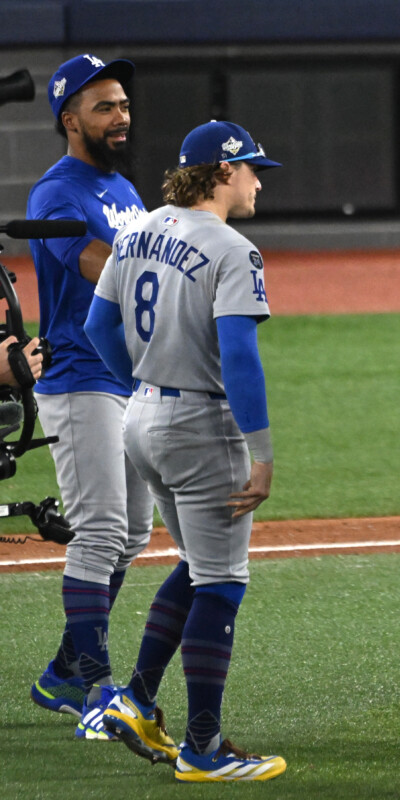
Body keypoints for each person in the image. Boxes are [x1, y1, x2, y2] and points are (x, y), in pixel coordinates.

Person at [85, 119, 286, 782]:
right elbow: (239, 356)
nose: (259, 180)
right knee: (222, 583)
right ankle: (203, 746)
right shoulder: (232, 249)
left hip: (140, 417)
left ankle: (137, 699)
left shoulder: (138, 227)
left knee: (197, 564)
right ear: (223, 172)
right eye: (253, 168)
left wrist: (141, 382)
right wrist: (260, 452)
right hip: (201, 428)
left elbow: (97, 323)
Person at [26, 53, 155, 740]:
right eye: (105, 106)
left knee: (132, 532)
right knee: (102, 530)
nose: (121, 116)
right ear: (69, 119)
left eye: (124, 104)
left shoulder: (124, 190)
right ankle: (97, 689)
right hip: (80, 379)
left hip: (128, 380)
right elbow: (97, 265)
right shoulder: (57, 193)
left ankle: (62, 674)